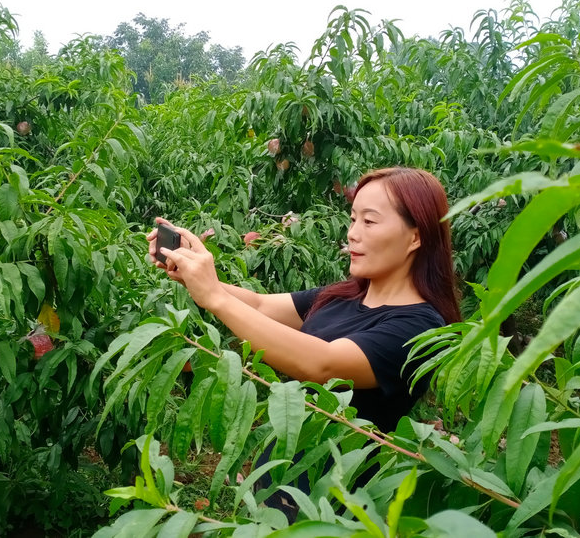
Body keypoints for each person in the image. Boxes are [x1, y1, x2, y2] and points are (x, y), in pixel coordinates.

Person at [147, 167, 460, 514]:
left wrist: (214, 297)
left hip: (330, 505)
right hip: (277, 479)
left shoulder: (418, 328)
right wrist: (195, 272)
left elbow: (321, 364)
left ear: (415, 237)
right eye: (353, 219)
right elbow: (262, 305)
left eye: (369, 222)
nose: (353, 234)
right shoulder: (344, 296)